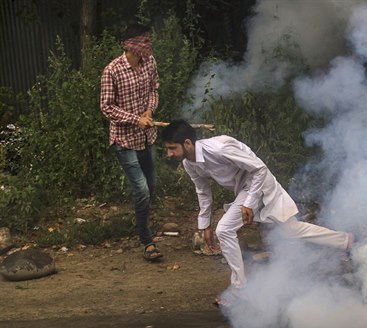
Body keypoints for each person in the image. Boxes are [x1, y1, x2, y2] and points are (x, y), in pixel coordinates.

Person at [161, 120, 353, 306]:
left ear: (187, 143)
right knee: (291, 230)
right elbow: (203, 191)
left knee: (225, 230)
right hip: (245, 190)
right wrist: (205, 225)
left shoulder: (219, 148)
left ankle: (240, 289)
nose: (169, 154)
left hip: (258, 184)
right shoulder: (189, 163)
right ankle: (347, 241)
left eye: (172, 148)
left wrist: (249, 203)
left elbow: (259, 168)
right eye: (168, 149)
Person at [100, 23, 162, 261]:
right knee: (142, 189)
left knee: (151, 186)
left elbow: (154, 89)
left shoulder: (150, 62)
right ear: (130, 45)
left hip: (147, 136)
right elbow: (106, 107)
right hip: (124, 139)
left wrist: (149, 110)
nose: (149, 45)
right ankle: (147, 240)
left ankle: (142, 221)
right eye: (144, 41)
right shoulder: (112, 71)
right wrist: (135, 119)